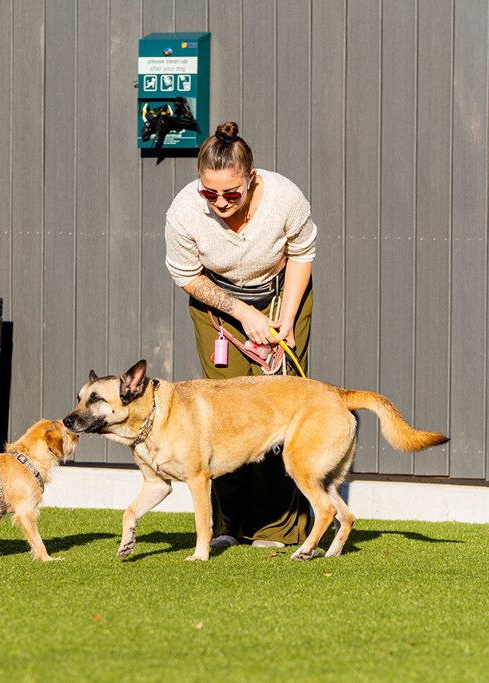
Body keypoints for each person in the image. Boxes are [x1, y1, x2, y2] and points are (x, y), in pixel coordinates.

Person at [164, 121, 317, 549]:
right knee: (222, 414)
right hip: (218, 305)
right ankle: (227, 525)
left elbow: (302, 253)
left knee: (277, 407)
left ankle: (277, 527)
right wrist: (241, 312)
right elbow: (187, 275)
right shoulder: (183, 212)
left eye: (231, 193)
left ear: (251, 178)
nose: (220, 203)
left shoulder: (285, 197)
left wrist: (286, 319)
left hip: (281, 297)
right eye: (209, 193)